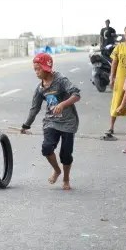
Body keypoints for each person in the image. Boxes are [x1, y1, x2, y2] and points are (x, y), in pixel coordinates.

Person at [21, 53, 81, 191]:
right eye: (35, 69)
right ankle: (57, 170)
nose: (36, 72)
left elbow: (76, 94)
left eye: (38, 69)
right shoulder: (40, 88)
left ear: (46, 68)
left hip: (67, 122)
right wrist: (26, 125)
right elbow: (34, 108)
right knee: (46, 148)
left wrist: (63, 104)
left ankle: (66, 178)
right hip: (51, 122)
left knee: (65, 154)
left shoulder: (60, 80)